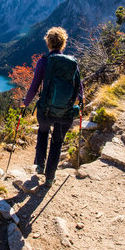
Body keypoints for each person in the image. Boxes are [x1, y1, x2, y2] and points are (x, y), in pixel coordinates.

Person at [21, 27, 83, 188]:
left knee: (42, 131)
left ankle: (40, 165)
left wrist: (25, 104)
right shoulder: (72, 63)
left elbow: (34, 87)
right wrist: (81, 103)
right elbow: (79, 87)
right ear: (63, 43)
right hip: (65, 112)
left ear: (48, 42)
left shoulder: (43, 61)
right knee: (57, 142)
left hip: (46, 111)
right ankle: (50, 177)